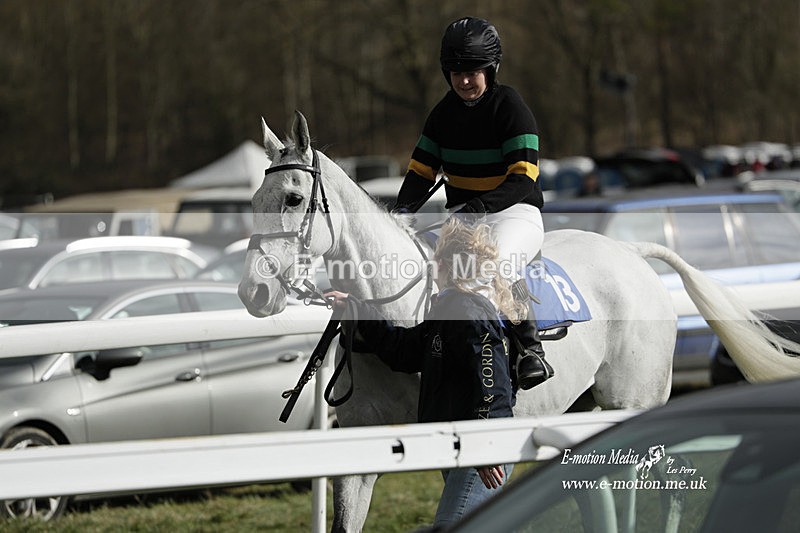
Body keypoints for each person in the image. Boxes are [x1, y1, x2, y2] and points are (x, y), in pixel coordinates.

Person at [326, 218, 525, 526]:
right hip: (468, 445)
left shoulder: (466, 311)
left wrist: (486, 447)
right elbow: (403, 351)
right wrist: (357, 310)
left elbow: (492, 386)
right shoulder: (450, 309)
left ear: (442, 265)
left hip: (483, 450)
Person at [393, 16, 553, 389]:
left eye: (472, 72)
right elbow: (420, 174)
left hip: (515, 213)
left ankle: (529, 350)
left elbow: (522, 179)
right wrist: (399, 216)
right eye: (456, 73)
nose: (464, 81)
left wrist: (477, 209)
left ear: (490, 70)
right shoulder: (442, 114)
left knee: (497, 265)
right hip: (463, 220)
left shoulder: (510, 106)